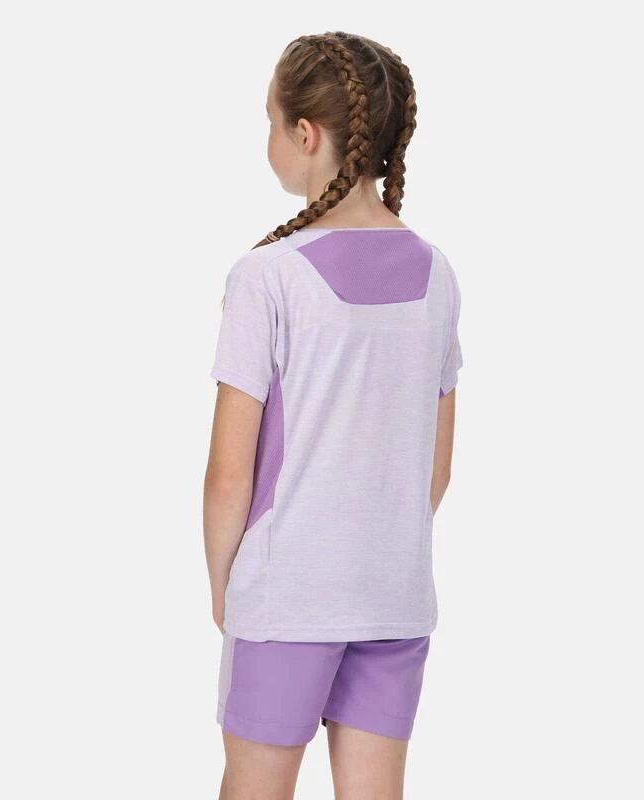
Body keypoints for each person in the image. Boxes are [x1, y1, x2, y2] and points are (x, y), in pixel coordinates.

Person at [204, 31, 464, 800]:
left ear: (306, 134)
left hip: (286, 597)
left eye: (271, 120)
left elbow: (228, 478)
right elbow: (435, 467)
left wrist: (227, 590)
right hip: (394, 595)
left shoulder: (267, 276)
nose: (269, 137)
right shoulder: (437, 273)